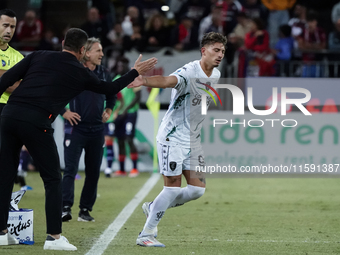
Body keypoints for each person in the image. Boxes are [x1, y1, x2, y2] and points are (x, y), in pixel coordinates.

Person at [0, 27, 157, 250]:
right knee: (53, 178)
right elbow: (109, 88)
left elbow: (6, 78)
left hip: (8, 116)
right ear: (83, 50)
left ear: (63, 42)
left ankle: (2, 233)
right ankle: (54, 237)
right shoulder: (79, 71)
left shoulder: (38, 55)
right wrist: (134, 72)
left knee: (4, 175)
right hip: (36, 122)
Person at [128, 31, 227, 247]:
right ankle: (146, 234)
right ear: (204, 51)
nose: (220, 55)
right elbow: (166, 81)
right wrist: (143, 80)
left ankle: (154, 206)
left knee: (197, 190)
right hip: (172, 137)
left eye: (222, 51)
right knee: (172, 187)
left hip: (193, 140)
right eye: (216, 50)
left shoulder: (216, 75)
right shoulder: (189, 72)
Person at [60, 38, 115, 223]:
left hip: (97, 130)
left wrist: (109, 109)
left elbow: (111, 94)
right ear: (87, 53)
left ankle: (85, 210)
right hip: (76, 129)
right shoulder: (74, 71)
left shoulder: (104, 73)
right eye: (98, 51)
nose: (102, 54)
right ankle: (64, 208)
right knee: (70, 169)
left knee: (93, 172)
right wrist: (64, 112)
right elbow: (55, 91)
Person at [0, 9, 31, 192]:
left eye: (12, 26)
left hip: (10, 111)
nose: (9, 30)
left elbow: (23, 87)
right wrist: (12, 79)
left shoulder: (18, 57)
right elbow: (13, 84)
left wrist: (5, 78)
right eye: (5, 25)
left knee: (8, 159)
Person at [112, 57, 141, 178]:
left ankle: (134, 168)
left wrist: (126, 109)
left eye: (122, 65)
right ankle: (122, 170)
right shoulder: (115, 80)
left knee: (129, 138)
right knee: (120, 140)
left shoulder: (133, 78)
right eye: (118, 65)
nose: (120, 67)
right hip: (120, 114)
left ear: (126, 65)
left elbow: (137, 97)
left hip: (130, 113)